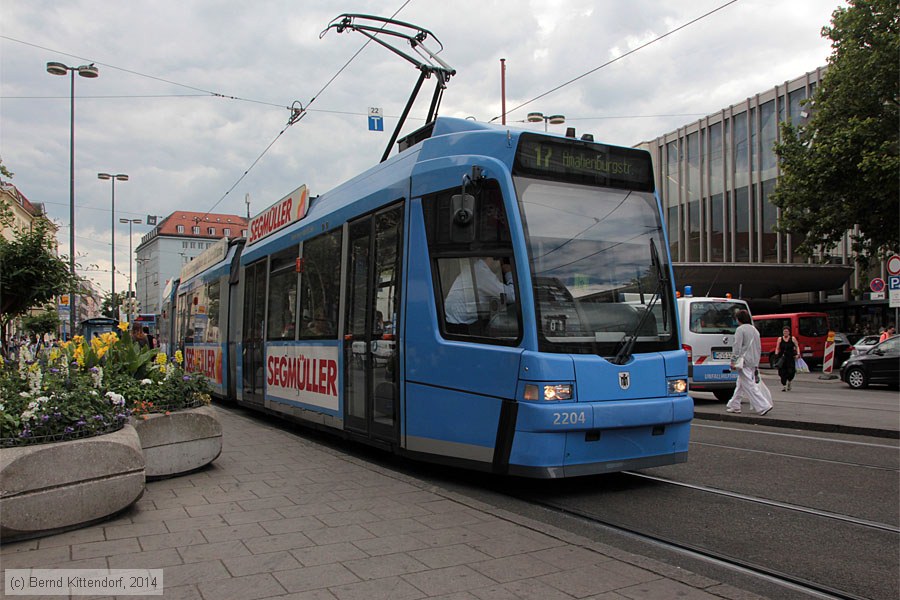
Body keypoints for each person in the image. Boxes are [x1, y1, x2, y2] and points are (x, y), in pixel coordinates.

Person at [444, 257, 516, 335]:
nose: (501, 264)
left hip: (457, 322)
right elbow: (512, 296)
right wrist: (509, 272)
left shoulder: (477, 268)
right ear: (493, 258)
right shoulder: (482, 273)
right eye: (501, 260)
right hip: (459, 327)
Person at [726, 309, 773, 416]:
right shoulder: (755, 330)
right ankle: (735, 404)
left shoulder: (740, 330)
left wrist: (733, 361)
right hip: (753, 361)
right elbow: (758, 348)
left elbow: (737, 347)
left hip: (744, 361)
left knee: (748, 385)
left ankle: (763, 406)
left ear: (739, 319)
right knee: (740, 384)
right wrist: (756, 362)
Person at [774, 326, 799, 391]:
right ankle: (784, 386)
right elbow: (777, 347)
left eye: (787, 331)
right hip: (782, 358)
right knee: (782, 372)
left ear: (789, 332)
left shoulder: (792, 338)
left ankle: (789, 381)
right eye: (784, 331)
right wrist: (776, 355)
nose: (785, 333)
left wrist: (798, 354)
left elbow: (797, 346)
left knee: (791, 372)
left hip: (790, 358)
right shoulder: (780, 339)